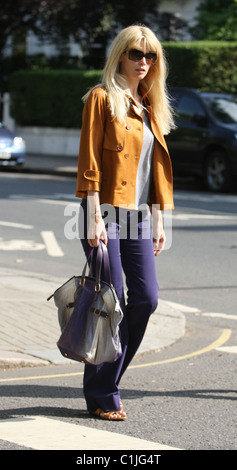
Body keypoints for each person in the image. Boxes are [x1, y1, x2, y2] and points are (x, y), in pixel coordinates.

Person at [75, 24, 175, 420]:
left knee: (146, 299)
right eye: (136, 53)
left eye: (150, 56)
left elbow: (155, 170)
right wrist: (94, 215)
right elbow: (90, 161)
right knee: (111, 299)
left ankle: (107, 381)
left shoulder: (150, 106)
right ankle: (102, 393)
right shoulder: (101, 99)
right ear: (120, 54)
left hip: (136, 217)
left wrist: (158, 218)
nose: (143, 62)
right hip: (104, 212)